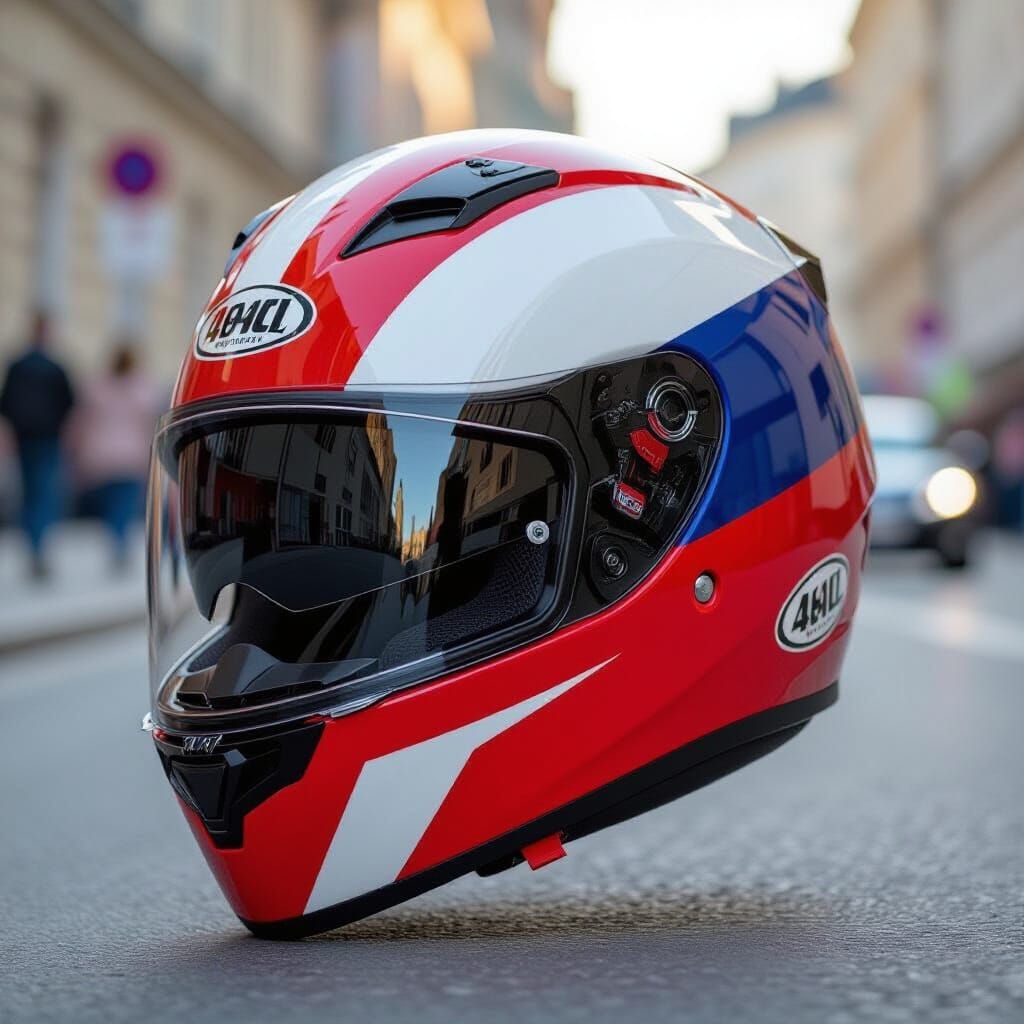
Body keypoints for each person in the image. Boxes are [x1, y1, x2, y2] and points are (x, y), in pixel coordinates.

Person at [68, 342, 163, 571]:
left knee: (113, 504)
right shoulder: (142, 389)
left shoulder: (96, 387)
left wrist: (76, 449)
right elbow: (150, 424)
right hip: (130, 457)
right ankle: (119, 545)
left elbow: (82, 422)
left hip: (100, 456)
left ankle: (116, 542)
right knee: (123, 505)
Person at [0, 311, 75, 578]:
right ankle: (38, 548)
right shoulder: (56, 368)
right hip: (47, 439)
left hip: (25, 439)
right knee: (44, 495)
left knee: (30, 495)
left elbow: (5, 403)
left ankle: (34, 547)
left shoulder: (17, 366)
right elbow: (69, 405)